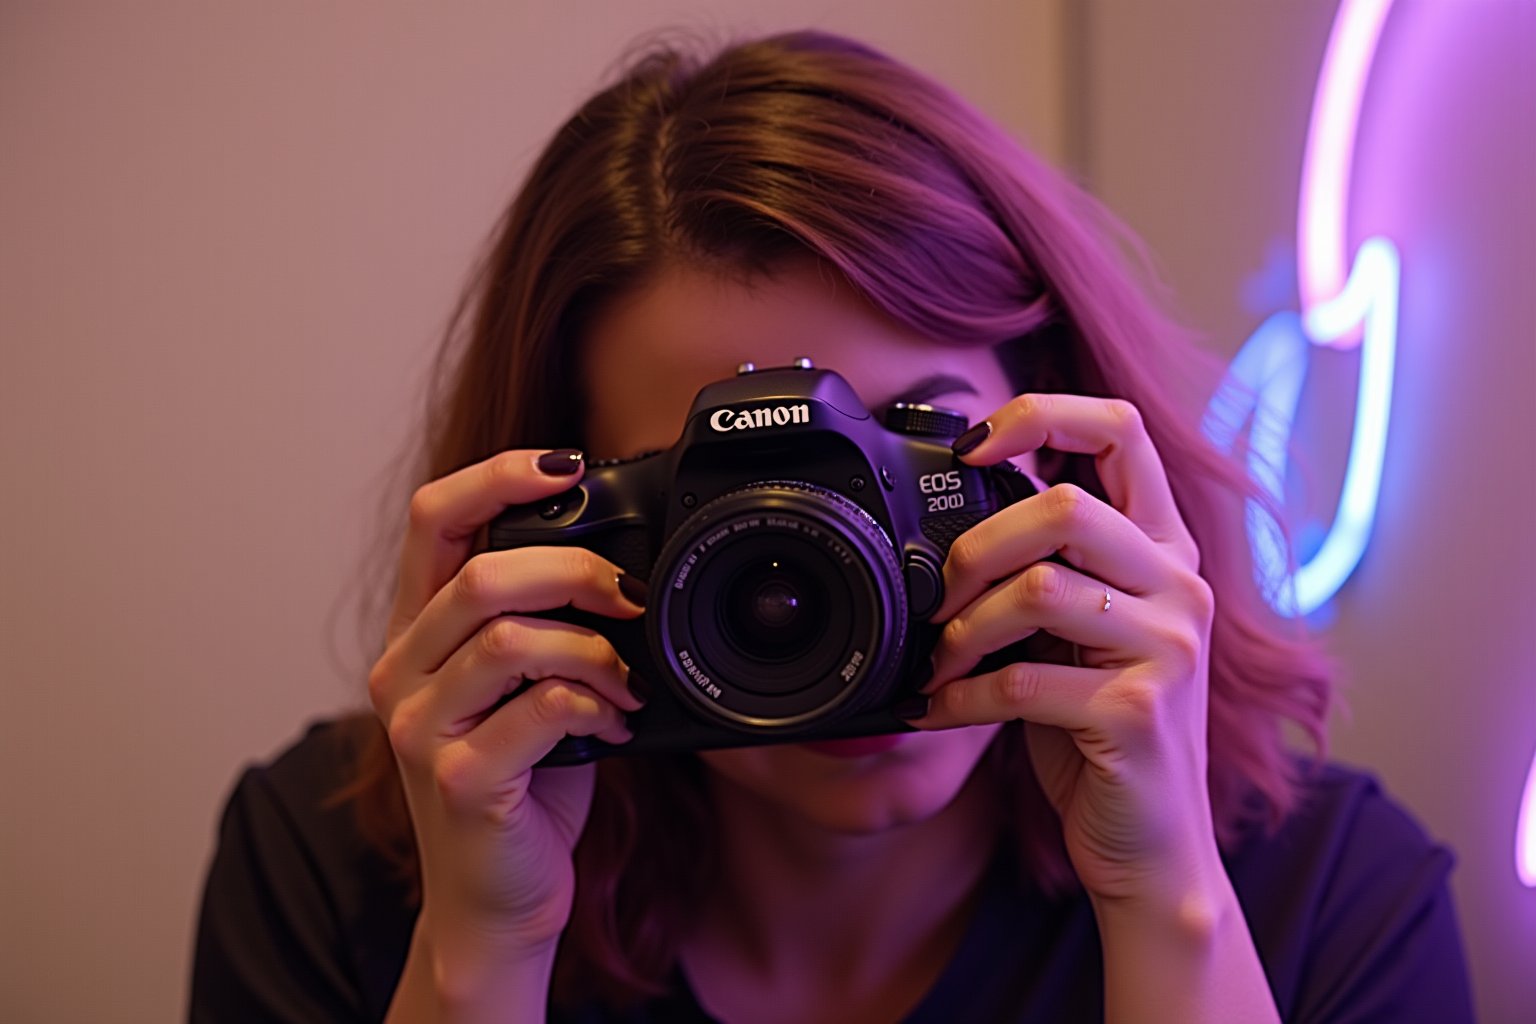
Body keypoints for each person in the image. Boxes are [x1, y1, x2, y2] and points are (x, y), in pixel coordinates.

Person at [189, 30, 1475, 1024]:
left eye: (913, 435)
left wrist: (1167, 903)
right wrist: (483, 953)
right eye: (716, 488)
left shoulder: (1324, 894)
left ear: (1077, 434)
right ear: (555, 520)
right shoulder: (336, 869)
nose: (816, 566)